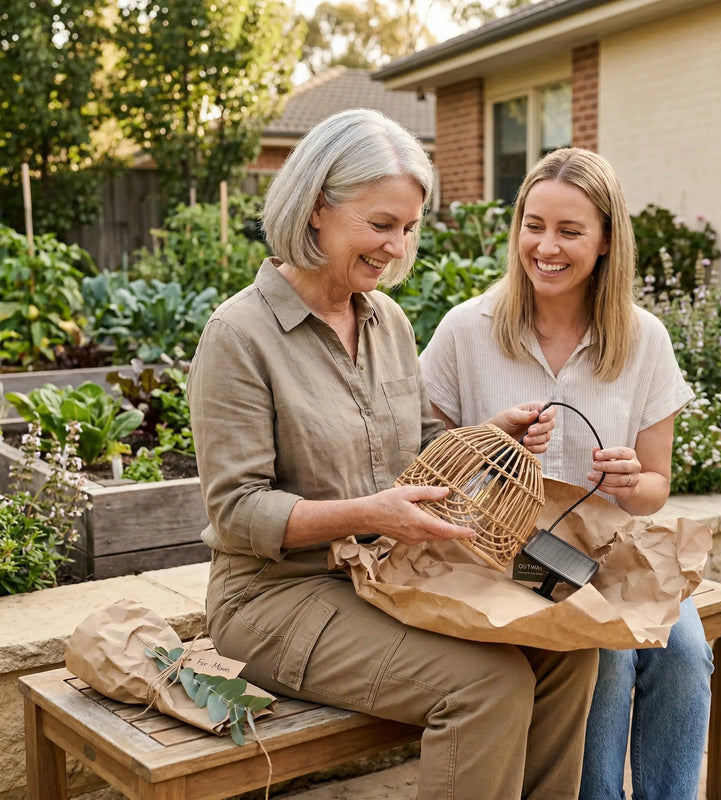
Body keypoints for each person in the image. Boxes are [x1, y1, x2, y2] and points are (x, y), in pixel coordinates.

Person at [187, 108, 599, 800]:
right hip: (276, 596)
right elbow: (237, 513)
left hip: (383, 573)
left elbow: (416, 451)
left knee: (566, 648)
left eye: (408, 229)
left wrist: (486, 437)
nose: (397, 247)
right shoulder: (239, 335)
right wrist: (372, 512)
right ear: (317, 207)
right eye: (381, 225)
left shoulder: (388, 322)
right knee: (487, 687)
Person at [419, 146, 714, 800]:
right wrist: (491, 441)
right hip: (507, 553)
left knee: (686, 655)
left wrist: (628, 482)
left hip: (611, 547)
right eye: (534, 224)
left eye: (570, 231)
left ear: (607, 240)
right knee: (602, 655)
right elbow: (424, 462)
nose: (545, 246)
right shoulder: (466, 330)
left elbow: (654, 489)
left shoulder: (644, 339)